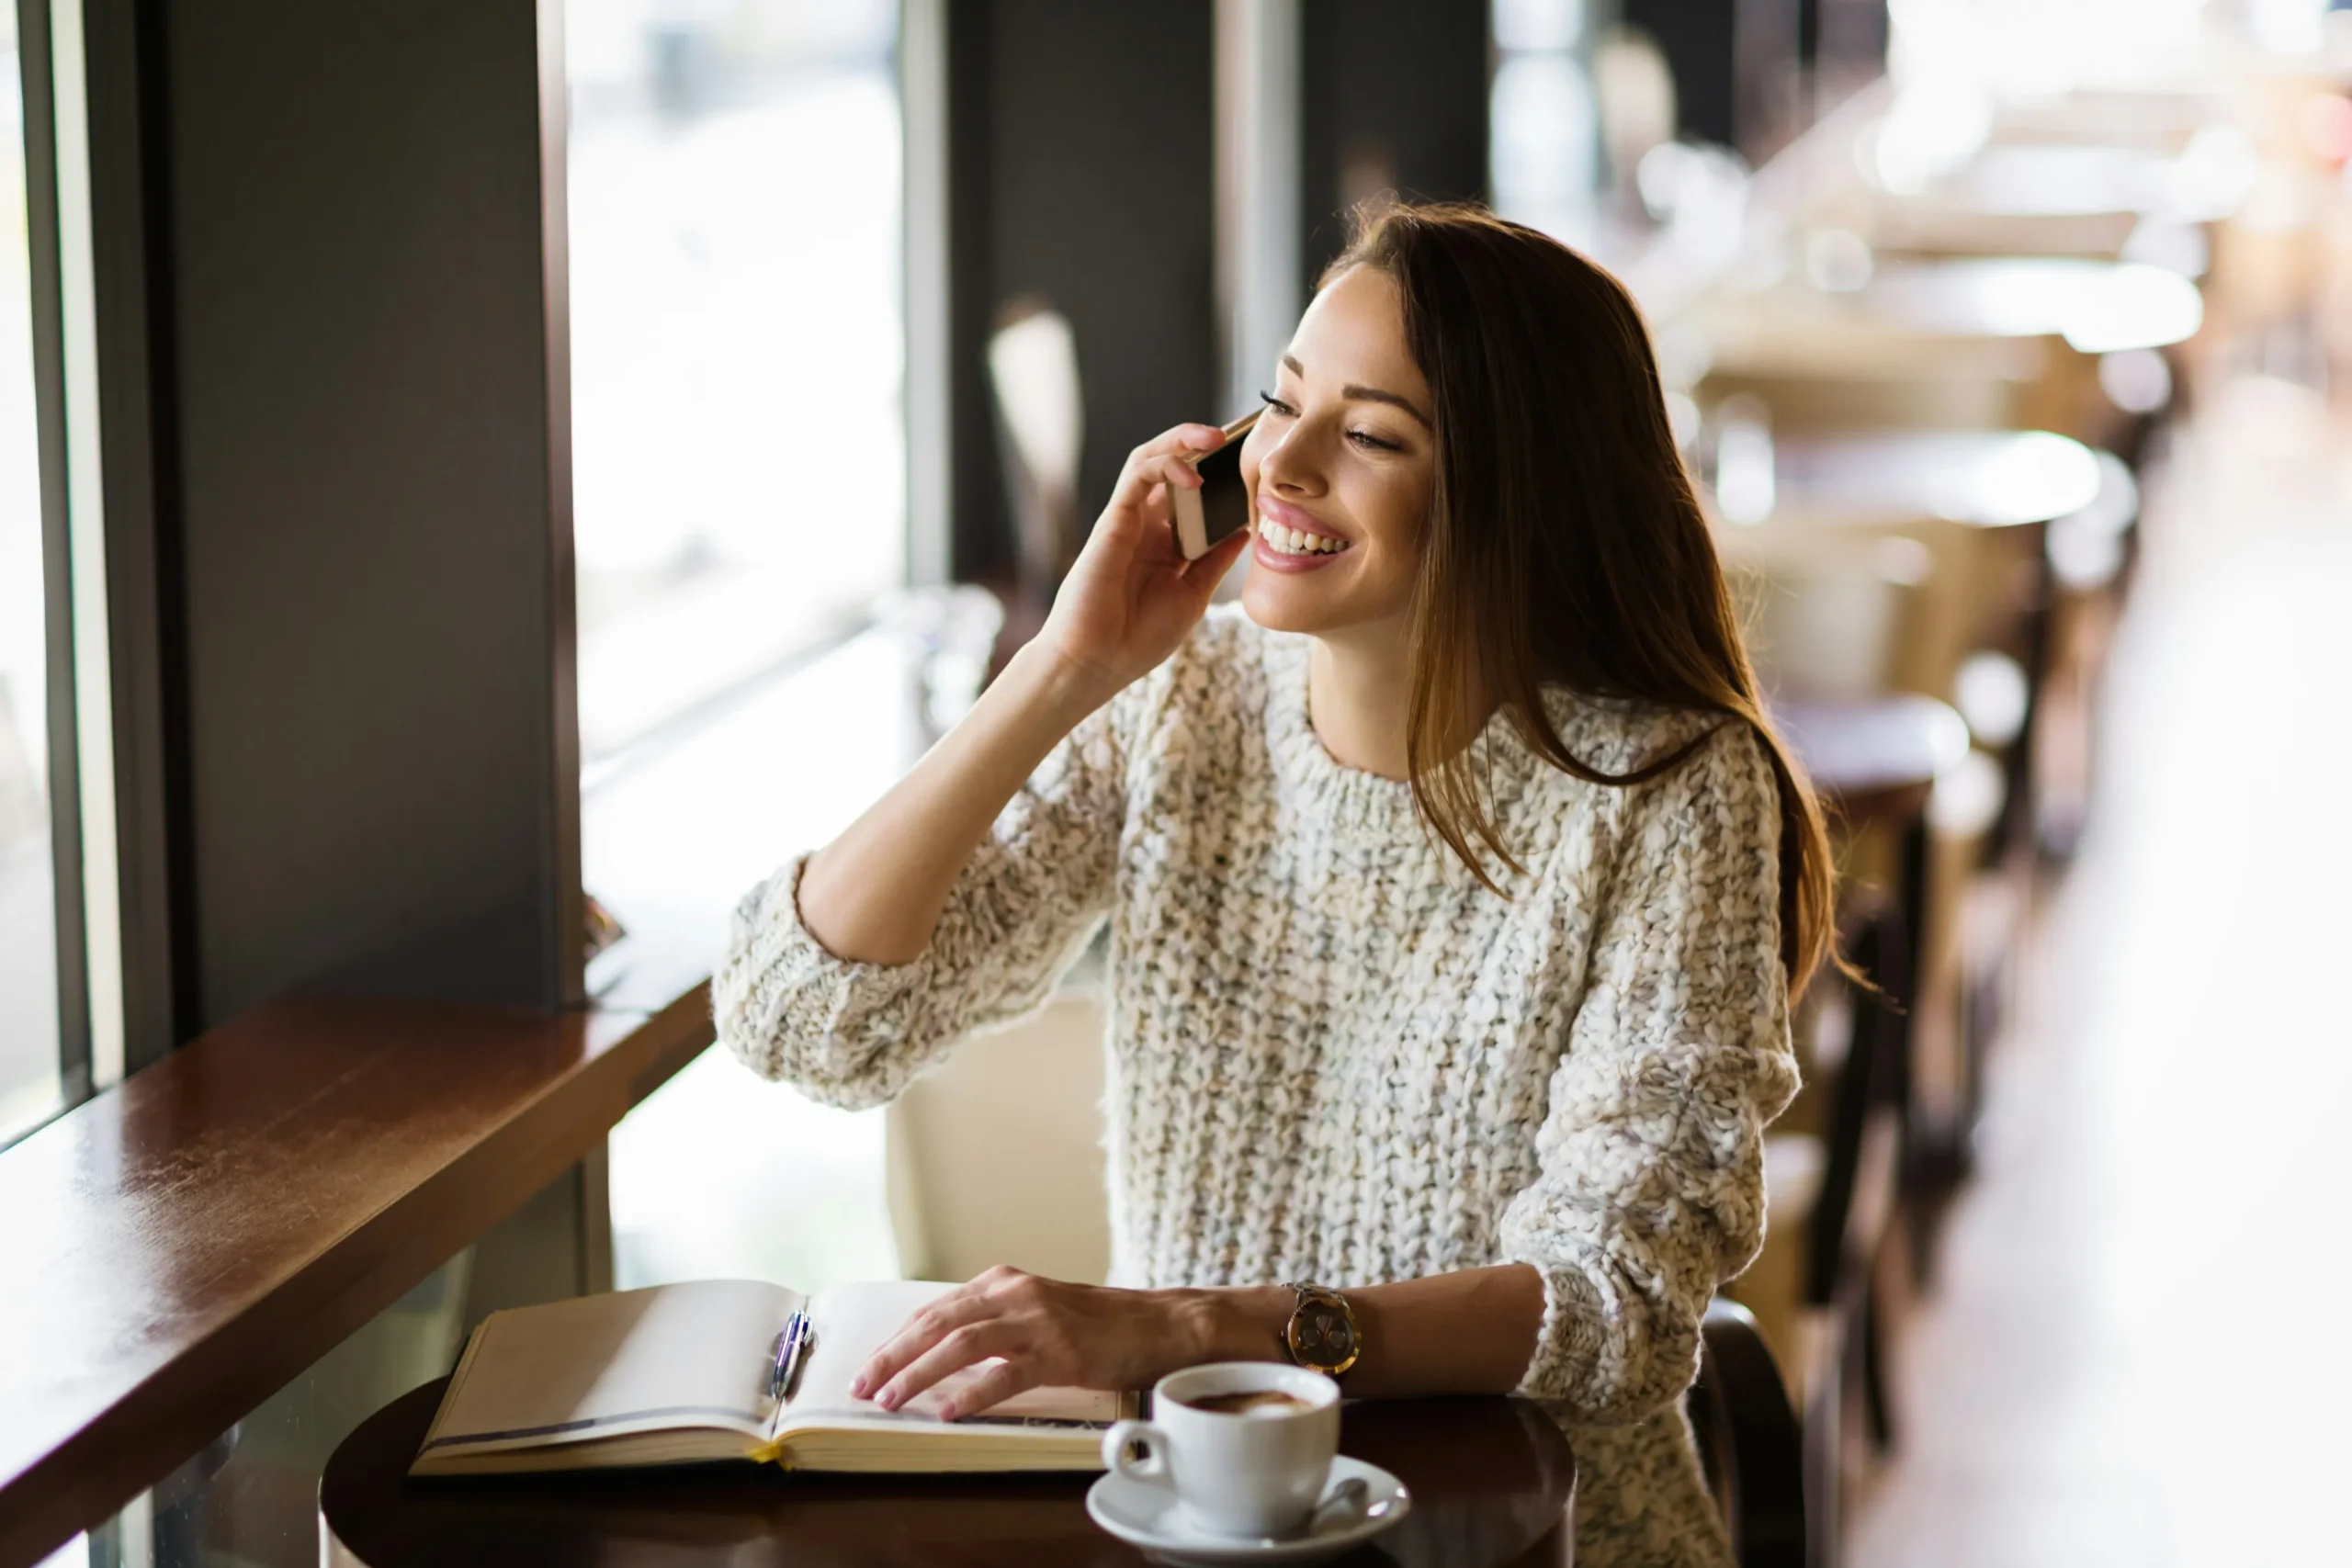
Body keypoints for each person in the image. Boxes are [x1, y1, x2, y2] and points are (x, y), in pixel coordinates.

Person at [715, 200, 1832, 1568]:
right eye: (1278, 401)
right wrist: (1066, 666)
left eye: (1369, 435)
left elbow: (1614, 1299)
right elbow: (803, 1021)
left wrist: (1185, 1327)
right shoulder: (1182, 700)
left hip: (1540, 1536)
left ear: (1516, 488)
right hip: (1193, 1521)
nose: (1281, 466)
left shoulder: (1671, 788)